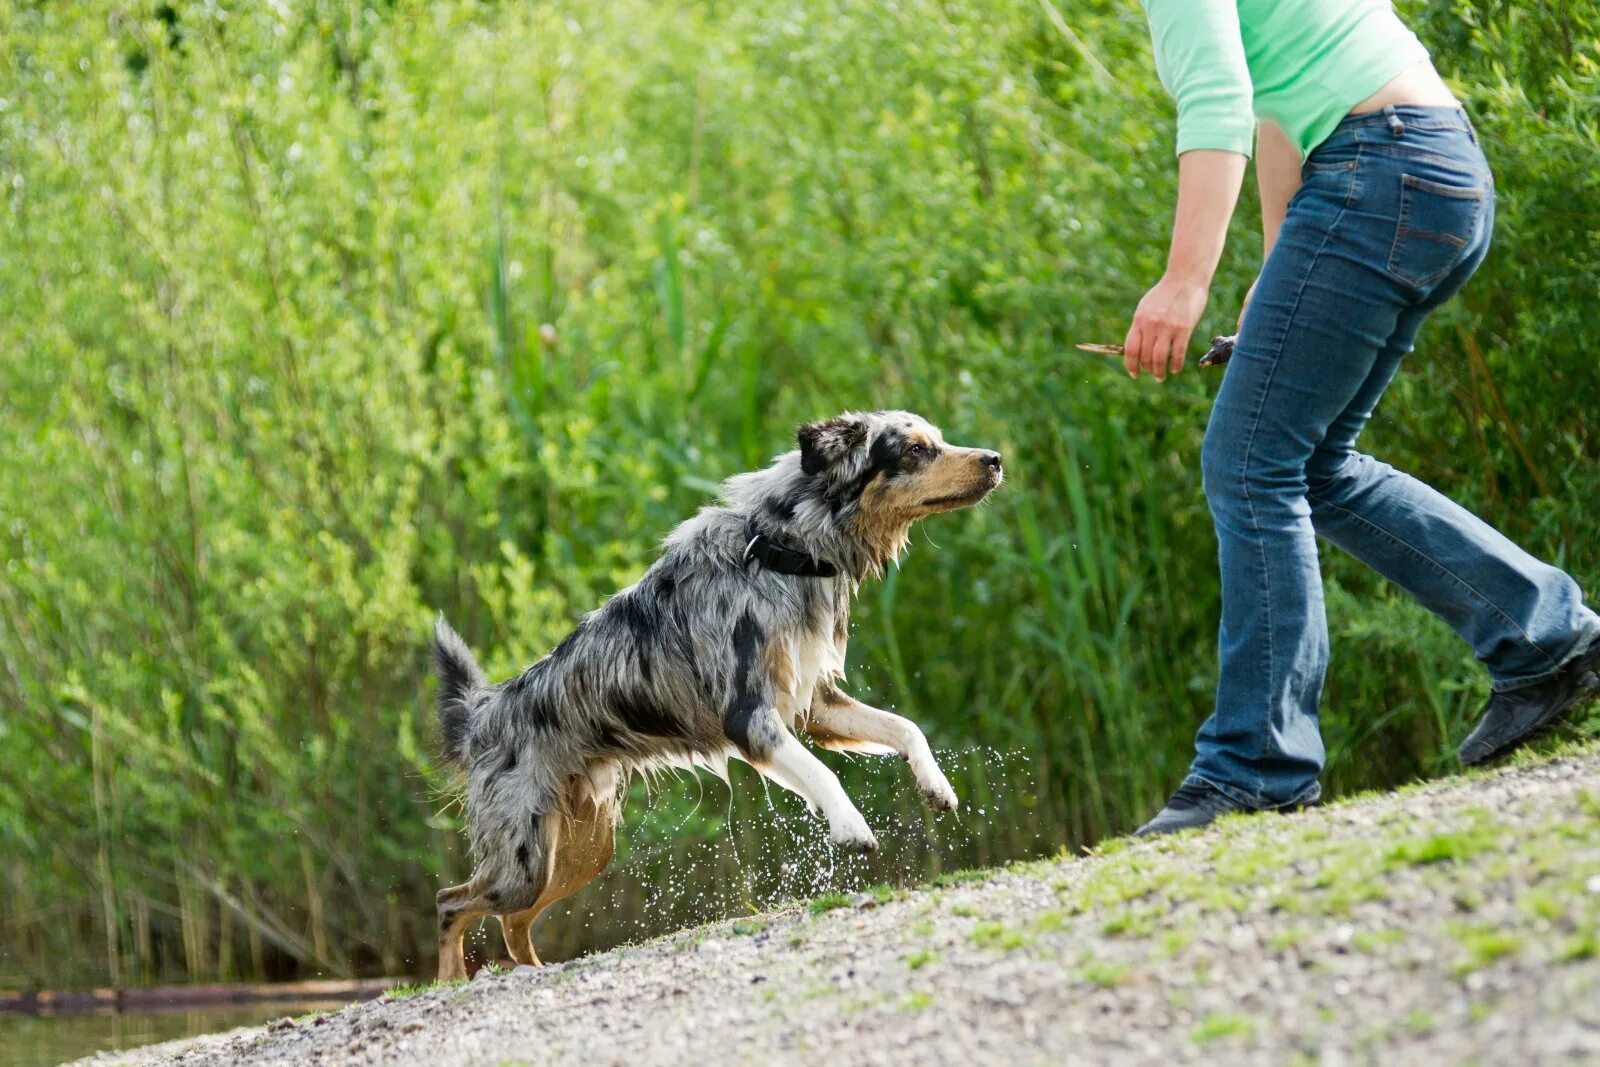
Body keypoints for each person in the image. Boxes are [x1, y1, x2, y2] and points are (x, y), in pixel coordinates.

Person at [1125, 0, 1600, 836]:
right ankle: (1544, 638)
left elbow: (1222, 100)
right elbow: (1283, 114)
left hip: (1378, 173)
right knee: (1312, 465)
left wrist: (1185, 281)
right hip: (1435, 165)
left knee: (1248, 464)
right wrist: (1278, 282)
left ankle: (1256, 765)